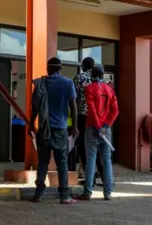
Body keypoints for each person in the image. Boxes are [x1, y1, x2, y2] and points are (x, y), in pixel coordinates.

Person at [29, 57, 78, 204]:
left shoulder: (40, 83)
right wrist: (74, 127)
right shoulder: (68, 83)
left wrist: (31, 125)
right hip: (60, 130)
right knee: (62, 163)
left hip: (44, 129)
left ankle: (38, 194)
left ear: (48, 69)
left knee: (42, 162)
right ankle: (64, 196)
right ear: (60, 68)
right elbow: (73, 107)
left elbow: (35, 108)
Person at [76, 65, 119, 201]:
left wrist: (97, 125)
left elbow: (92, 109)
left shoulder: (89, 89)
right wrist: (106, 125)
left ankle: (87, 192)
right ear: (102, 75)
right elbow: (115, 110)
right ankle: (107, 192)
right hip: (106, 130)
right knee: (106, 160)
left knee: (91, 160)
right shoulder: (109, 89)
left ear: (91, 75)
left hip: (92, 128)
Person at [73, 57, 104, 186]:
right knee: (97, 147)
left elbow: (73, 97)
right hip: (98, 117)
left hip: (82, 116)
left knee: (83, 146)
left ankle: (89, 178)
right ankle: (104, 177)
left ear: (83, 66)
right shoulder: (100, 80)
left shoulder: (79, 78)